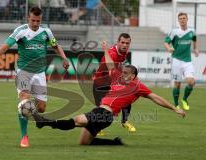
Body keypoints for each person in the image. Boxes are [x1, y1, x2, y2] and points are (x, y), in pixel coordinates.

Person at [31, 41, 186, 145]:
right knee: (84, 142)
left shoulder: (137, 86)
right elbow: (111, 65)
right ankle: (114, 143)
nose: (122, 73)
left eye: (126, 72)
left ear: (133, 75)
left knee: (76, 120)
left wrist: (174, 108)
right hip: (104, 115)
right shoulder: (118, 77)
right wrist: (106, 49)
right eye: (123, 71)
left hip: (105, 114)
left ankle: (43, 122)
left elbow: (156, 98)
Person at [0, 6, 69, 148]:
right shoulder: (21, 31)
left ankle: (35, 116)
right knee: (25, 102)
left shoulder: (46, 32)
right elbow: (5, 46)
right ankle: (24, 136)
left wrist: (64, 58)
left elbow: (56, 46)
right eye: (33, 20)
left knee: (42, 108)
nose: (36, 23)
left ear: (41, 19)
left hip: (39, 73)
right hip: (23, 72)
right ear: (28, 18)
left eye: (38, 20)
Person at [93, 33, 136, 135]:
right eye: (122, 43)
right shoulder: (113, 54)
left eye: (127, 43)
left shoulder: (124, 52)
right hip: (101, 82)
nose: (125, 45)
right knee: (103, 109)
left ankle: (124, 122)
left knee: (128, 96)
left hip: (110, 79)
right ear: (118, 42)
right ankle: (96, 128)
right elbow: (111, 71)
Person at [164, 12, 199, 110]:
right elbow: (166, 42)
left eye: (184, 18)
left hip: (187, 61)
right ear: (178, 20)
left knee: (191, 82)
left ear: (187, 19)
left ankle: (184, 99)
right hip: (177, 60)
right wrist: (169, 48)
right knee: (177, 84)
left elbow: (195, 39)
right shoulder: (174, 31)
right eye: (180, 18)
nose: (182, 20)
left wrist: (195, 48)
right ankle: (176, 104)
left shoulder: (192, 30)